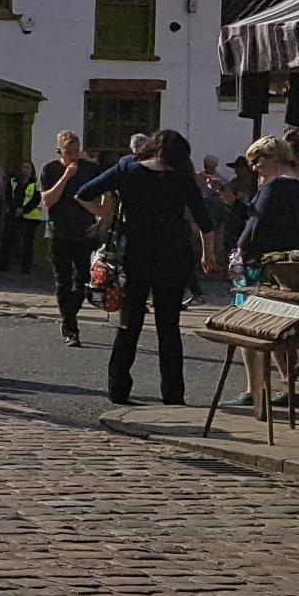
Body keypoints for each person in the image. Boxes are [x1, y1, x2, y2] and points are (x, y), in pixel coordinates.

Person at [75, 128, 213, 406]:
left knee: (129, 322)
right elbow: (204, 221)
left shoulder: (128, 171)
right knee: (168, 326)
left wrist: (106, 214)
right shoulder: (180, 178)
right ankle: (173, 393)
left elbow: (83, 193)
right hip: (173, 253)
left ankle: (118, 387)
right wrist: (207, 254)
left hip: (136, 252)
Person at [39, 131, 102, 346]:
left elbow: (105, 196)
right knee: (62, 280)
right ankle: (70, 328)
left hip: (84, 231)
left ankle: (69, 314)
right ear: (60, 151)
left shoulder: (90, 169)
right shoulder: (50, 169)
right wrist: (66, 177)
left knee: (85, 280)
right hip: (59, 231)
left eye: (76, 151)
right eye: (68, 152)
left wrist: (101, 218)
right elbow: (48, 201)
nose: (73, 156)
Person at [236, 135, 299, 275]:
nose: (254, 168)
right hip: (288, 263)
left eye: (256, 161)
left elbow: (256, 223)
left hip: (265, 264)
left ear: (272, 158)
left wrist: (240, 252)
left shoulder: (274, 187)